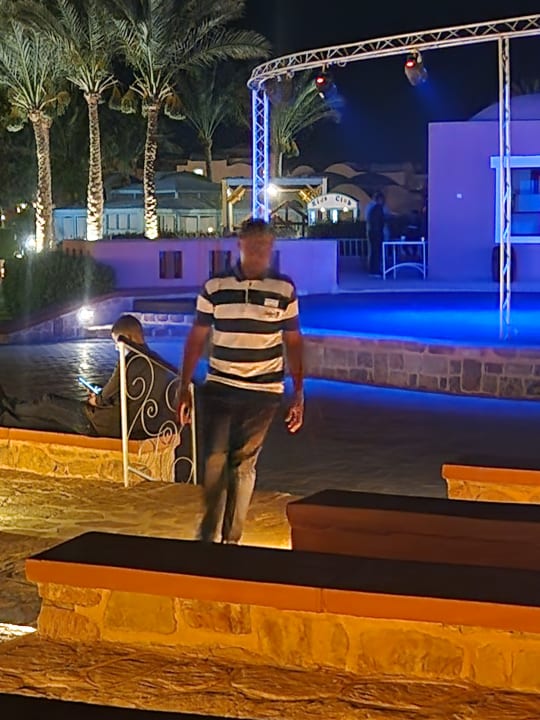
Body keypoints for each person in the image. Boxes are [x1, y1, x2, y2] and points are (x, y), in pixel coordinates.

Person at [178, 218, 304, 545]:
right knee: (214, 457)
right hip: (219, 385)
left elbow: (293, 341)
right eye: (254, 245)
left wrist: (299, 391)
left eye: (265, 246)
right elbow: (196, 337)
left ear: (272, 248)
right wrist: (184, 385)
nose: (259, 252)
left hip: (264, 391)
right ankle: (210, 527)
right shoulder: (215, 287)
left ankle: (231, 538)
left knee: (243, 463)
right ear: (241, 245)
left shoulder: (284, 290)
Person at [0, 314, 174, 438]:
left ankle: (9, 408)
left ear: (125, 338)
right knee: (52, 415)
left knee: (48, 402)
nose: (116, 348)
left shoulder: (129, 361)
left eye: (116, 342)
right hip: (135, 426)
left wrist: (95, 399)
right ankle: (8, 414)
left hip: (103, 424)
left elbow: (103, 398)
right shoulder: (158, 363)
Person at [366, 191, 386, 276]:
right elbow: (380, 221)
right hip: (377, 233)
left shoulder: (372, 209)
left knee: (374, 252)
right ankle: (375, 270)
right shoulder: (378, 209)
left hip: (373, 232)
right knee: (377, 252)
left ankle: (373, 270)